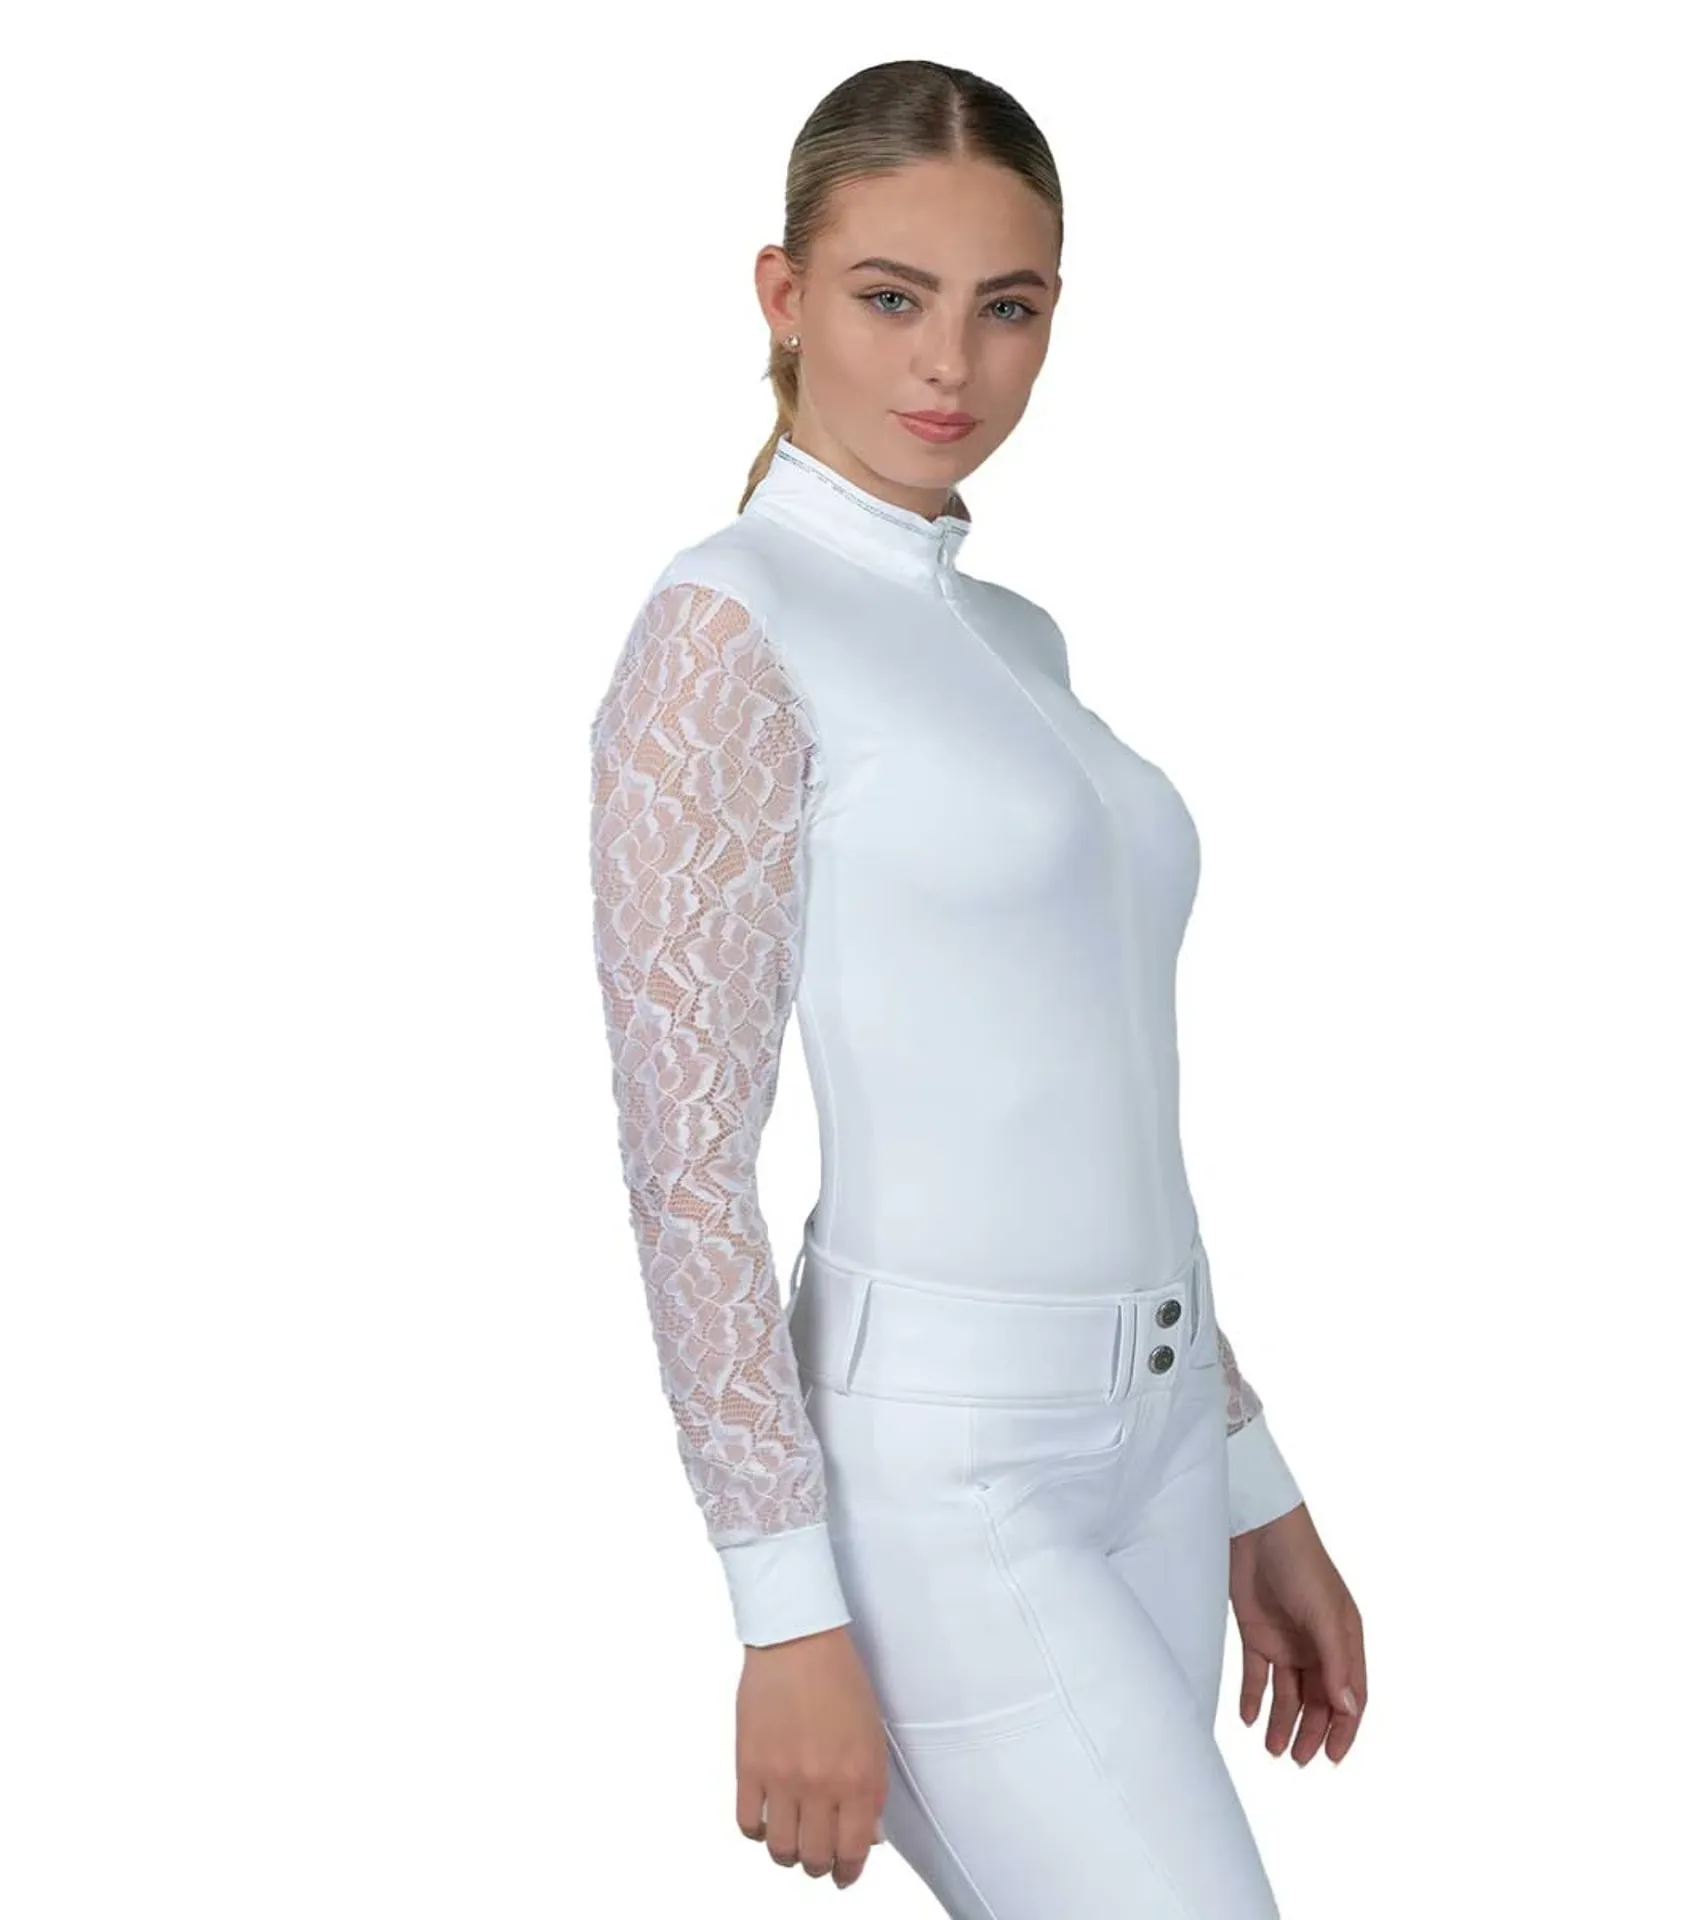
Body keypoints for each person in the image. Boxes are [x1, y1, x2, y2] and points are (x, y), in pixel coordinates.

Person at [588, 58, 1366, 1915]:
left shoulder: (1016, 639)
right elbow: (687, 1169)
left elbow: (1105, 1099)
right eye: (892, 297)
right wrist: (783, 1606)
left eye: (1007, 308)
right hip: (940, 1485)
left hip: (1155, 1450)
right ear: (784, 296)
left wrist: (1252, 1476)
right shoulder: (730, 625)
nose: (951, 364)